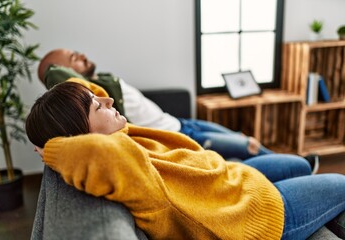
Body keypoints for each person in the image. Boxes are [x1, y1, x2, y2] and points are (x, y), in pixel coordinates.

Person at [26, 80, 345, 240]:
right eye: (98, 107)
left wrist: (79, 101)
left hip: (229, 181)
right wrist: (52, 146)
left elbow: (88, 89)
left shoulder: (120, 134)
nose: (108, 99)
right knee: (341, 184)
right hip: (251, 220)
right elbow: (98, 153)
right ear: (80, 139)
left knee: (298, 164)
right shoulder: (120, 160)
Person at [37, 49, 319, 164]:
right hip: (182, 137)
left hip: (181, 122)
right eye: (74, 57)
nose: (82, 55)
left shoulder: (101, 82)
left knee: (246, 141)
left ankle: (295, 166)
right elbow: (58, 77)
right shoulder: (86, 93)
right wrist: (51, 70)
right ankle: (297, 166)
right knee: (249, 147)